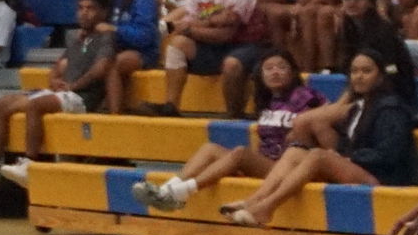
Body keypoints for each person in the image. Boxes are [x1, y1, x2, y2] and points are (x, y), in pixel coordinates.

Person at [221, 51, 415, 227]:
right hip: (360, 167)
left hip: (383, 176)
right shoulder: (358, 106)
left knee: (318, 156)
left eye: (366, 71)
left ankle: (267, 208)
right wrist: (340, 153)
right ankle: (254, 201)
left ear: (380, 76)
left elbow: (389, 154)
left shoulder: (391, 108)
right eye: (354, 71)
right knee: (296, 151)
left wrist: (350, 158)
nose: (359, 76)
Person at [0, 0, 115, 188]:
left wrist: (72, 85)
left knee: (34, 105)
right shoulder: (77, 38)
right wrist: (55, 80)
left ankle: (30, 164)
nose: (84, 12)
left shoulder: (106, 37)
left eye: (90, 8)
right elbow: (58, 67)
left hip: (83, 97)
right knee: (1, 104)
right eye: (81, 8)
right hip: (65, 93)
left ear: (103, 12)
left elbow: (101, 69)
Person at [136, 48, 320, 210]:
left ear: (293, 71)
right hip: (266, 162)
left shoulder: (304, 96)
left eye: (281, 67)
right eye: (269, 68)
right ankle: (167, 188)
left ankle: (180, 192)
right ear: (261, 75)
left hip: (288, 166)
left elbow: (321, 120)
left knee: (240, 153)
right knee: (210, 149)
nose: (275, 72)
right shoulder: (268, 102)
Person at [159, 0, 262, 117]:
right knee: (177, 44)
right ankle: (171, 106)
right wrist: (199, 26)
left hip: (246, 44)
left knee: (231, 64)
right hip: (213, 46)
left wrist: (191, 29)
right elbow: (191, 24)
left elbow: (226, 35)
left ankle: (234, 115)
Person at [101, 0, 160, 112]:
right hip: (117, 48)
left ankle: (115, 114)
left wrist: (115, 30)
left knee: (113, 63)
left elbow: (145, 35)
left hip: (144, 52)